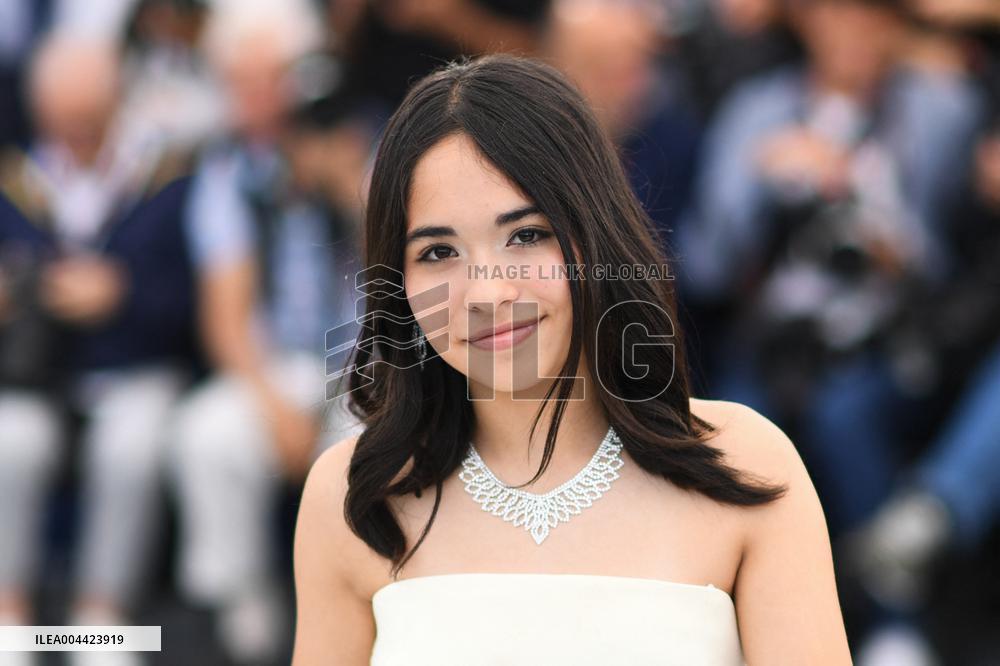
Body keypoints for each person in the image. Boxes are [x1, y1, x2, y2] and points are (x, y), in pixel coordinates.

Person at [292, 53, 852, 665]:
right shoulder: (354, 498)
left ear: (593, 236)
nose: (489, 292)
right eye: (438, 252)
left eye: (527, 236)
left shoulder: (746, 465)